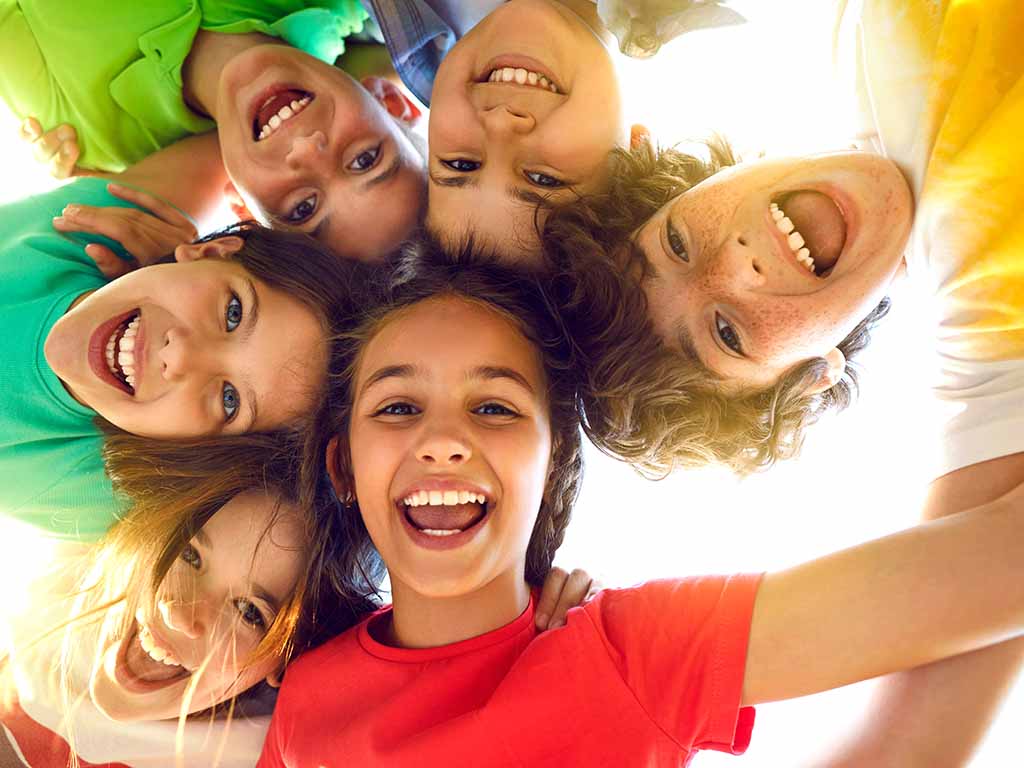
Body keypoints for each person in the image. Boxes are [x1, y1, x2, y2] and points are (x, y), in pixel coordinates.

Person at [257, 245, 1024, 767]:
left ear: (553, 463)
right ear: (343, 466)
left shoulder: (632, 651)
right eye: (397, 408)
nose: (445, 442)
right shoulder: (308, 700)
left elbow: (1002, 561)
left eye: (494, 407)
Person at [543, 0, 1024, 763]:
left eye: (677, 241)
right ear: (810, 379)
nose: (737, 264)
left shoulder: (855, 31)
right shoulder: (994, 333)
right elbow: (910, 745)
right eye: (727, 333)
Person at [0, 417, 593, 766]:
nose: (181, 613)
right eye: (189, 554)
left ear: (284, 663)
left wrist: (541, 652)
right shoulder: (50, 595)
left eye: (249, 612)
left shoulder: (272, 750)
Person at [0, 131, 374, 539]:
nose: (177, 356)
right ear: (209, 252)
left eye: (229, 400)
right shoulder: (111, 225)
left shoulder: (105, 500)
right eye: (233, 313)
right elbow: (230, 144)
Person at [2, 0, 426, 260]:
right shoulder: (349, 8)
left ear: (243, 211)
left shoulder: (90, 134)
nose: (305, 149)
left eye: (303, 208)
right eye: (365, 159)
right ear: (391, 102)